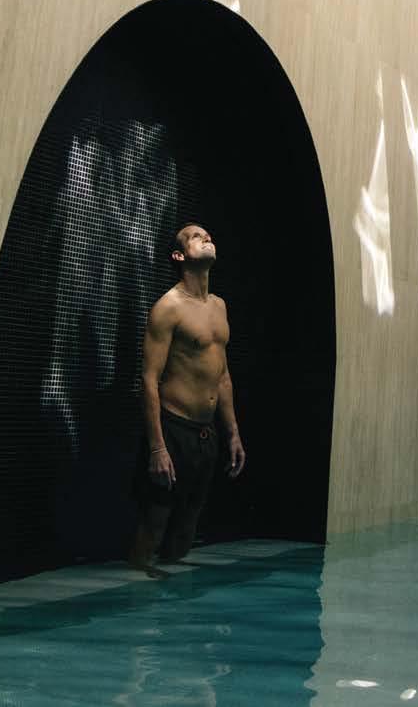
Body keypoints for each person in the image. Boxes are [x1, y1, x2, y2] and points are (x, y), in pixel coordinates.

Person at [129, 223, 244, 575]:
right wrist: (157, 448)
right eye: (196, 236)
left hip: (206, 432)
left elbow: (222, 376)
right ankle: (135, 592)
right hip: (173, 427)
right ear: (179, 256)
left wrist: (233, 433)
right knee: (155, 520)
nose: (207, 237)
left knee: (188, 523)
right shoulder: (168, 307)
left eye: (208, 234)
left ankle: (174, 596)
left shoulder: (219, 306)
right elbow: (149, 379)